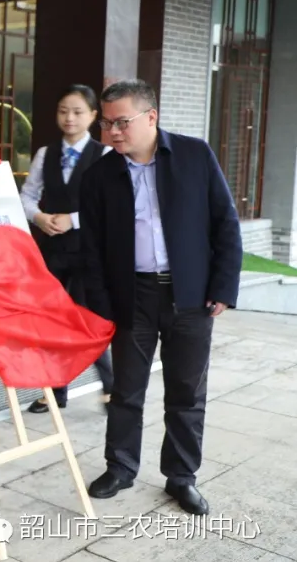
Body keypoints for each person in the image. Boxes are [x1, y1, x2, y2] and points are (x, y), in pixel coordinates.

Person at [78, 79, 242, 516]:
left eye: (121, 122)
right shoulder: (99, 175)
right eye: (106, 123)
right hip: (132, 295)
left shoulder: (194, 155)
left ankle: (181, 477)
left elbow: (226, 224)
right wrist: (101, 303)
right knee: (127, 390)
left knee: (186, 393)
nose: (112, 132)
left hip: (191, 296)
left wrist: (223, 288)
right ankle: (121, 467)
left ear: (151, 117)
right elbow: (90, 248)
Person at [20, 85, 114, 414]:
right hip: (52, 251)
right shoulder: (46, 154)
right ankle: (55, 391)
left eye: (77, 111)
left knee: (88, 320)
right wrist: (40, 216)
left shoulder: (104, 155)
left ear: (92, 116)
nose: (69, 118)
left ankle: (110, 386)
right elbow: (27, 196)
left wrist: (73, 219)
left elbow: (110, 206)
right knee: (52, 321)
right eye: (63, 111)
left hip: (90, 253)